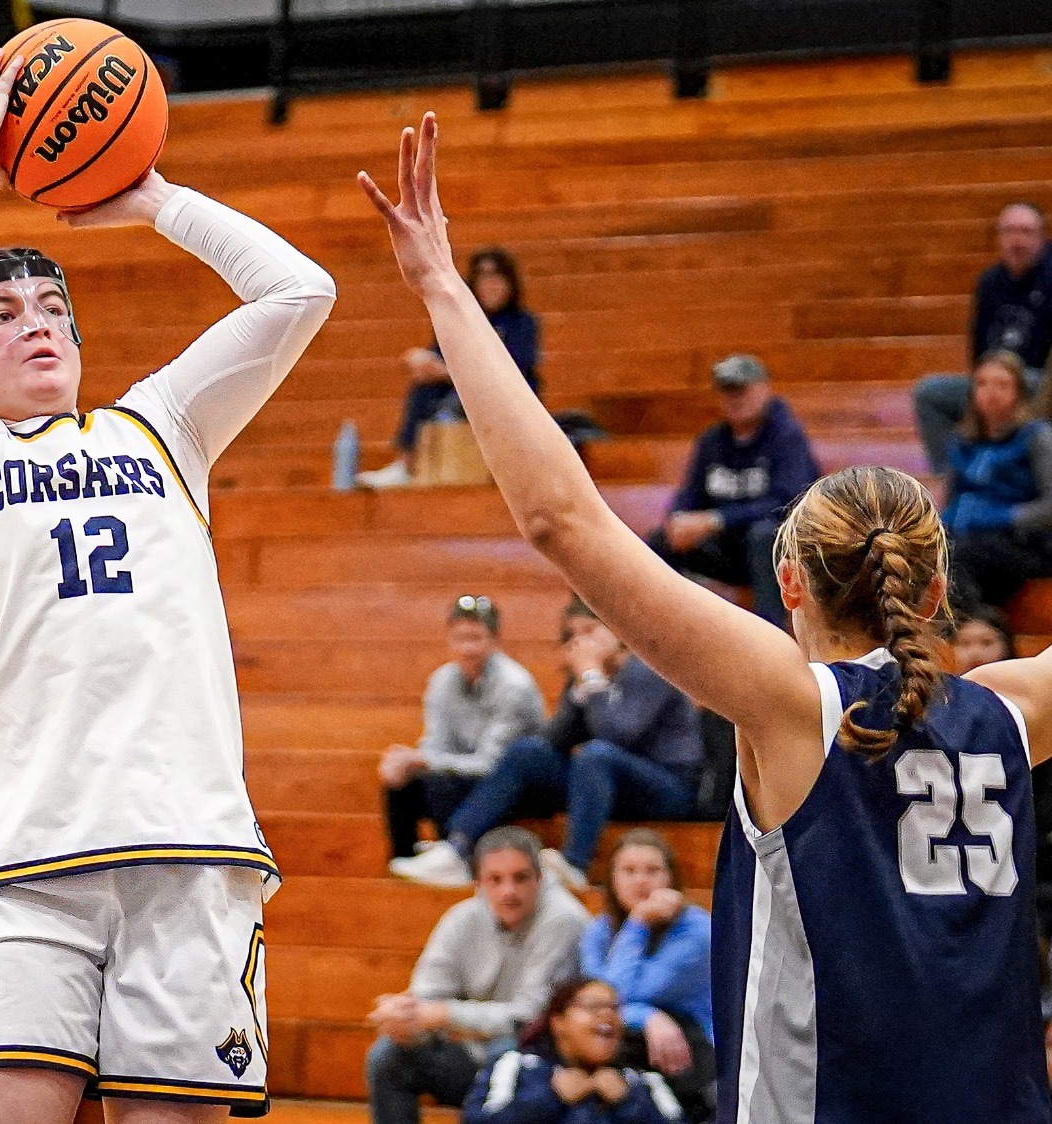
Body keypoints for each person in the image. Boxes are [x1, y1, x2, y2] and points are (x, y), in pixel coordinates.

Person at [364, 113, 1052, 1121]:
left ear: (789, 588)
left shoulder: (786, 707)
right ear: (937, 592)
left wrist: (440, 284)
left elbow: (560, 519)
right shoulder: (1013, 711)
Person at [0, 47, 334, 1124]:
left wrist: (155, 199)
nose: (36, 321)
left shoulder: (163, 425)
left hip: (190, 855)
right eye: (4, 313)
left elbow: (299, 289)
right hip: (23, 863)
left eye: (51, 304)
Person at [392, 601, 701, 891]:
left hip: (667, 787)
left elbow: (617, 736)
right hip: (606, 784)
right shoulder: (585, 675)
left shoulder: (649, 668)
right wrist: (579, 688)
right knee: (529, 752)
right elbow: (555, 741)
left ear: (616, 630)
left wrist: (590, 678)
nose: (580, 643)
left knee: (595, 755)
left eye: (589, 631)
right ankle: (457, 848)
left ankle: (574, 864)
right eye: (572, 636)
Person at [365, 828, 589, 1124]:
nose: (508, 891)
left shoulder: (565, 920)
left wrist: (445, 1014)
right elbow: (426, 998)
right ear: (479, 882)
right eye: (495, 880)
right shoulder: (461, 918)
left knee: (507, 1051)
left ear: (540, 878)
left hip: (543, 1067)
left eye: (520, 878)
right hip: (473, 1053)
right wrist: (405, 1016)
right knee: (388, 1055)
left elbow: (528, 1017)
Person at [644, 355, 820, 625]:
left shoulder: (787, 437)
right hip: (728, 549)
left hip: (778, 551)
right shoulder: (712, 441)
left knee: (763, 535)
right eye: (727, 391)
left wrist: (717, 520)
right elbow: (690, 494)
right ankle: (655, 628)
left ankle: (769, 635)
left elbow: (788, 502)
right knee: (661, 539)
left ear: (764, 389)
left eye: (742, 389)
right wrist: (678, 520)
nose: (734, 398)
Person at [379, 595, 546, 861]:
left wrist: (424, 760)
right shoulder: (442, 680)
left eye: (476, 638)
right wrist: (410, 762)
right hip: (464, 776)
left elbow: (491, 764)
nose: (467, 648)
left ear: (494, 641)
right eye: (460, 639)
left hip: (512, 786)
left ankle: (454, 859)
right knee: (401, 782)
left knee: (442, 780)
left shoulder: (515, 686)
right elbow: (435, 743)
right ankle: (402, 864)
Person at [357, 247, 539, 489]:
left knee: (461, 395)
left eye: (497, 277)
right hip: (460, 392)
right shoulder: (463, 320)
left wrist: (446, 372)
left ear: (509, 283)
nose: (490, 285)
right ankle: (405, 463)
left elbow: (513, 372)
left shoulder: (522, 323)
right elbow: (441, 354)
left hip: (504, 399)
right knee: (424, 389)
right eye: (483, 277)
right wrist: (420, 360)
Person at [578, 831, 713, 1120]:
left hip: (696, 1057)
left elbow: (617, 995)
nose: (640, 880)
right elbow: (596, 1003)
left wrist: (638, 922)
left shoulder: (698, 931)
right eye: (628, 871)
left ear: (671, 879)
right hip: (632, 1046)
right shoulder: (598, 931)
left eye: (652, 871)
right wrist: (649, 1018)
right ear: (612, 879)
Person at [912, 202, 1052, 472]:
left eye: (1025, 232)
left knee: (1031, 381)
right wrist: (986, 382)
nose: (1017, 240)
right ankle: (953, 477)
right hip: (995, 376)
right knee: (929, 394)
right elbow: (978, 347)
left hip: (1038, 382)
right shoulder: (989, 282)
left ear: (1042, 237)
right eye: (1009, 232)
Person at [462, 979, 685, 1124]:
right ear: (558, 1023)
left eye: (614, 1008)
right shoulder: (516, 1066)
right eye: (593, 1006)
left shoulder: (642, 1082)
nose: (606, 1015)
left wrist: (628, 1102)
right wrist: (550, 1098)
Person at [942, 349, 1052, 609]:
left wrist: (1002, 517)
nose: (991, 392)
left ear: (1020, 393)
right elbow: (951, 499)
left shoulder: (1037, 436)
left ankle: (973, 631)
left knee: (961, 558)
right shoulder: (962, 440)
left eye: (1002, 385)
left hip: (1023, 543)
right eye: (982, 383)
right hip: (966, 539)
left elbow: (1050, 506)